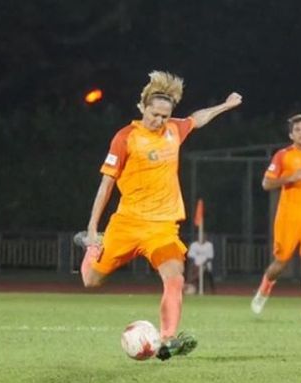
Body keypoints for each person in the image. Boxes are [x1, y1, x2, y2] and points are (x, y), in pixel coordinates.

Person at [74, 71, 242, 360]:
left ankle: (168, 340)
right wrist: (92, 227)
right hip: (127, 223)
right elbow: (106, 184)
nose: (160, 120)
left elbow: (196, 118)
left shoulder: (174, 130)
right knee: (91, 281)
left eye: (165, 115)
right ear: (142, 108)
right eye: (155, 114)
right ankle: (93, 246)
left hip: (162, 227)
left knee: (175, 277)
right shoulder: (126, 138)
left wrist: (224, 106)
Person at [250, 113, 301, 322]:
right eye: (297, 130)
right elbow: (266, 184)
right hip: (288, 215)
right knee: (281, 262)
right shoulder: (283, 156)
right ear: (291, 134)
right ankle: (264, 289)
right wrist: (290, 178)